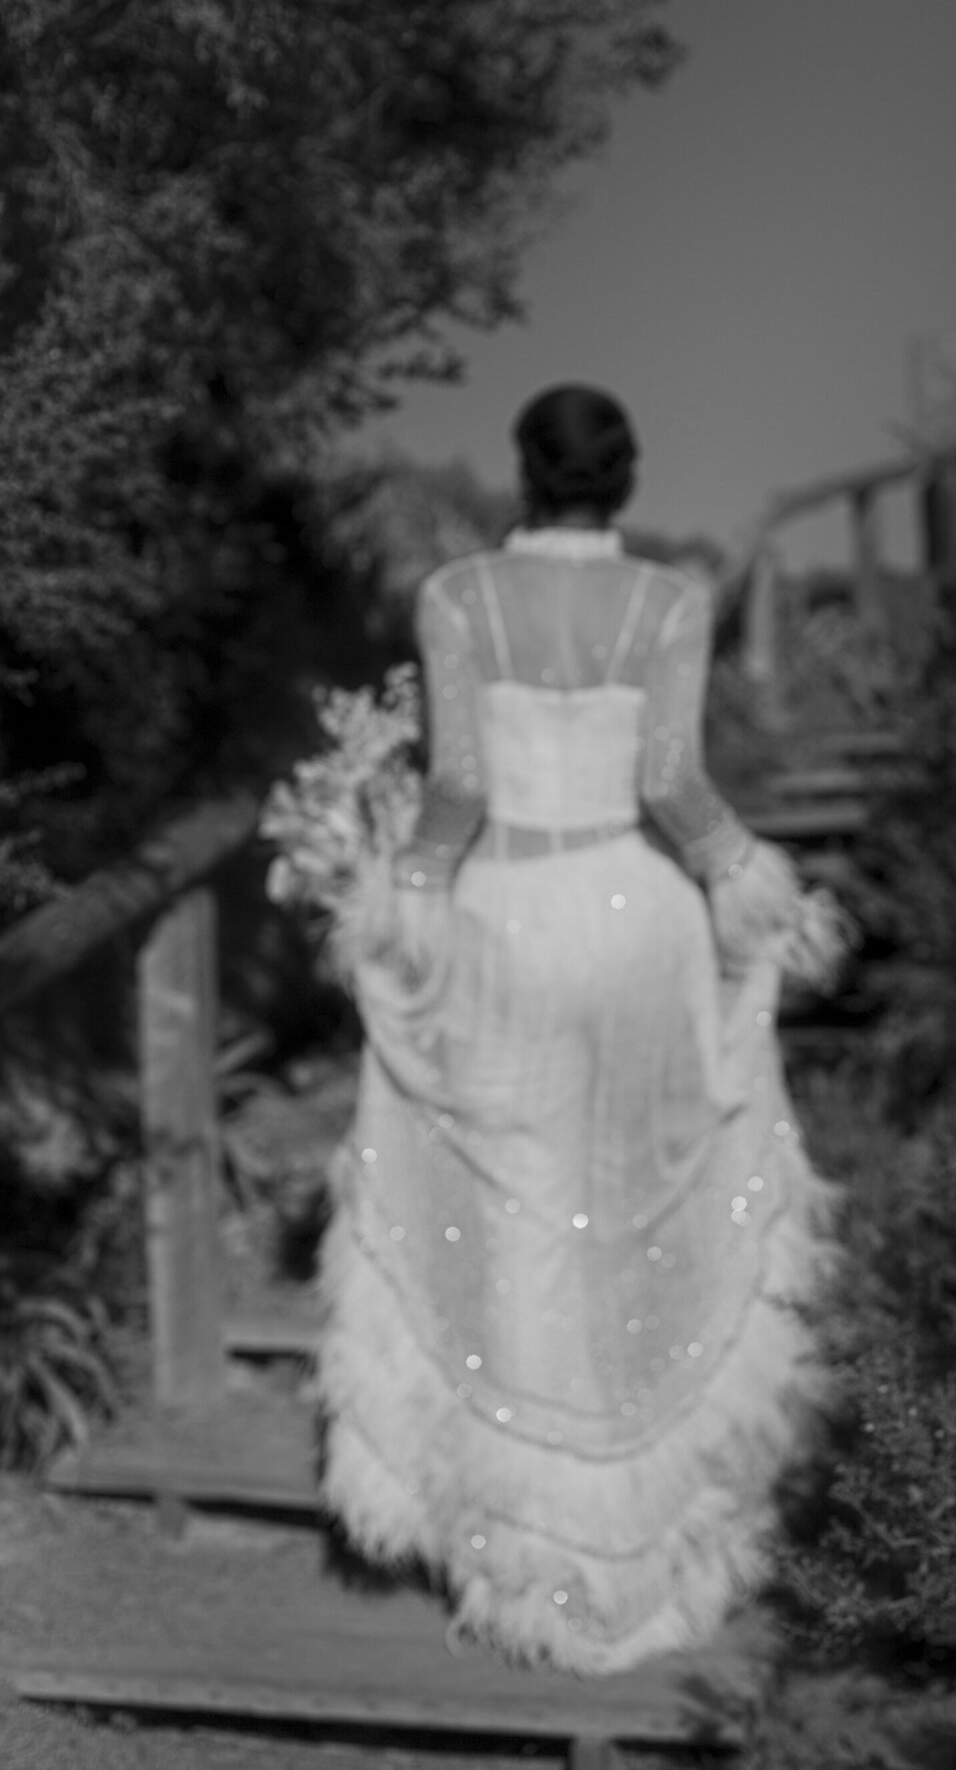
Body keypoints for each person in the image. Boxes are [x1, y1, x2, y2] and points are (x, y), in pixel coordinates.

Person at [317, 385, 845, 1675]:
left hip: (507, 919)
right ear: (626, 476)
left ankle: (523, 1547)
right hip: (638, 920)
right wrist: (750, 881)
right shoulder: (672, 600)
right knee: (630, 1210)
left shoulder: (457, 597)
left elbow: (457, 787)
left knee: (521, 1216)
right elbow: (671, 781)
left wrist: (403, 898)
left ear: (523, 471)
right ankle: (639, 1544)